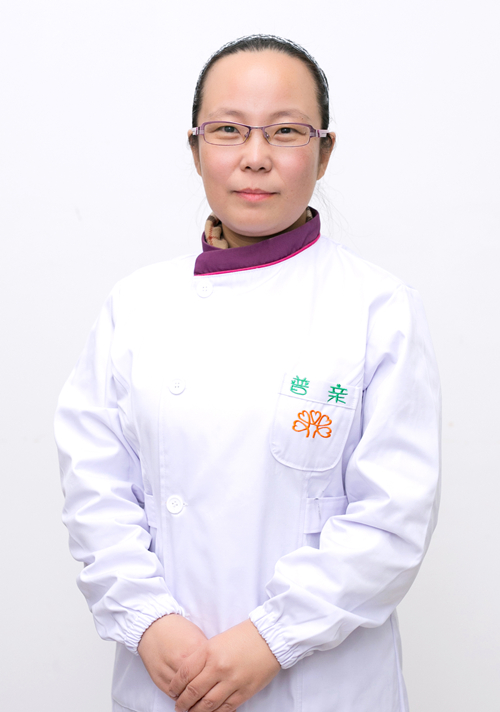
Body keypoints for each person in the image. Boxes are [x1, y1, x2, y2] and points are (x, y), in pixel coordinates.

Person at [55, 35, 441, 712]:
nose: (255, 156)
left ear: (323, 153)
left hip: (322, 687)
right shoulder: (136, 306)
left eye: (285, 131)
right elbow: (96, 491)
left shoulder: (378, 309)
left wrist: (272, 639)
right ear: (196, 148)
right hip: (168, 674)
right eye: (228, 130)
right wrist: (148, 620)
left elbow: (392, 521)